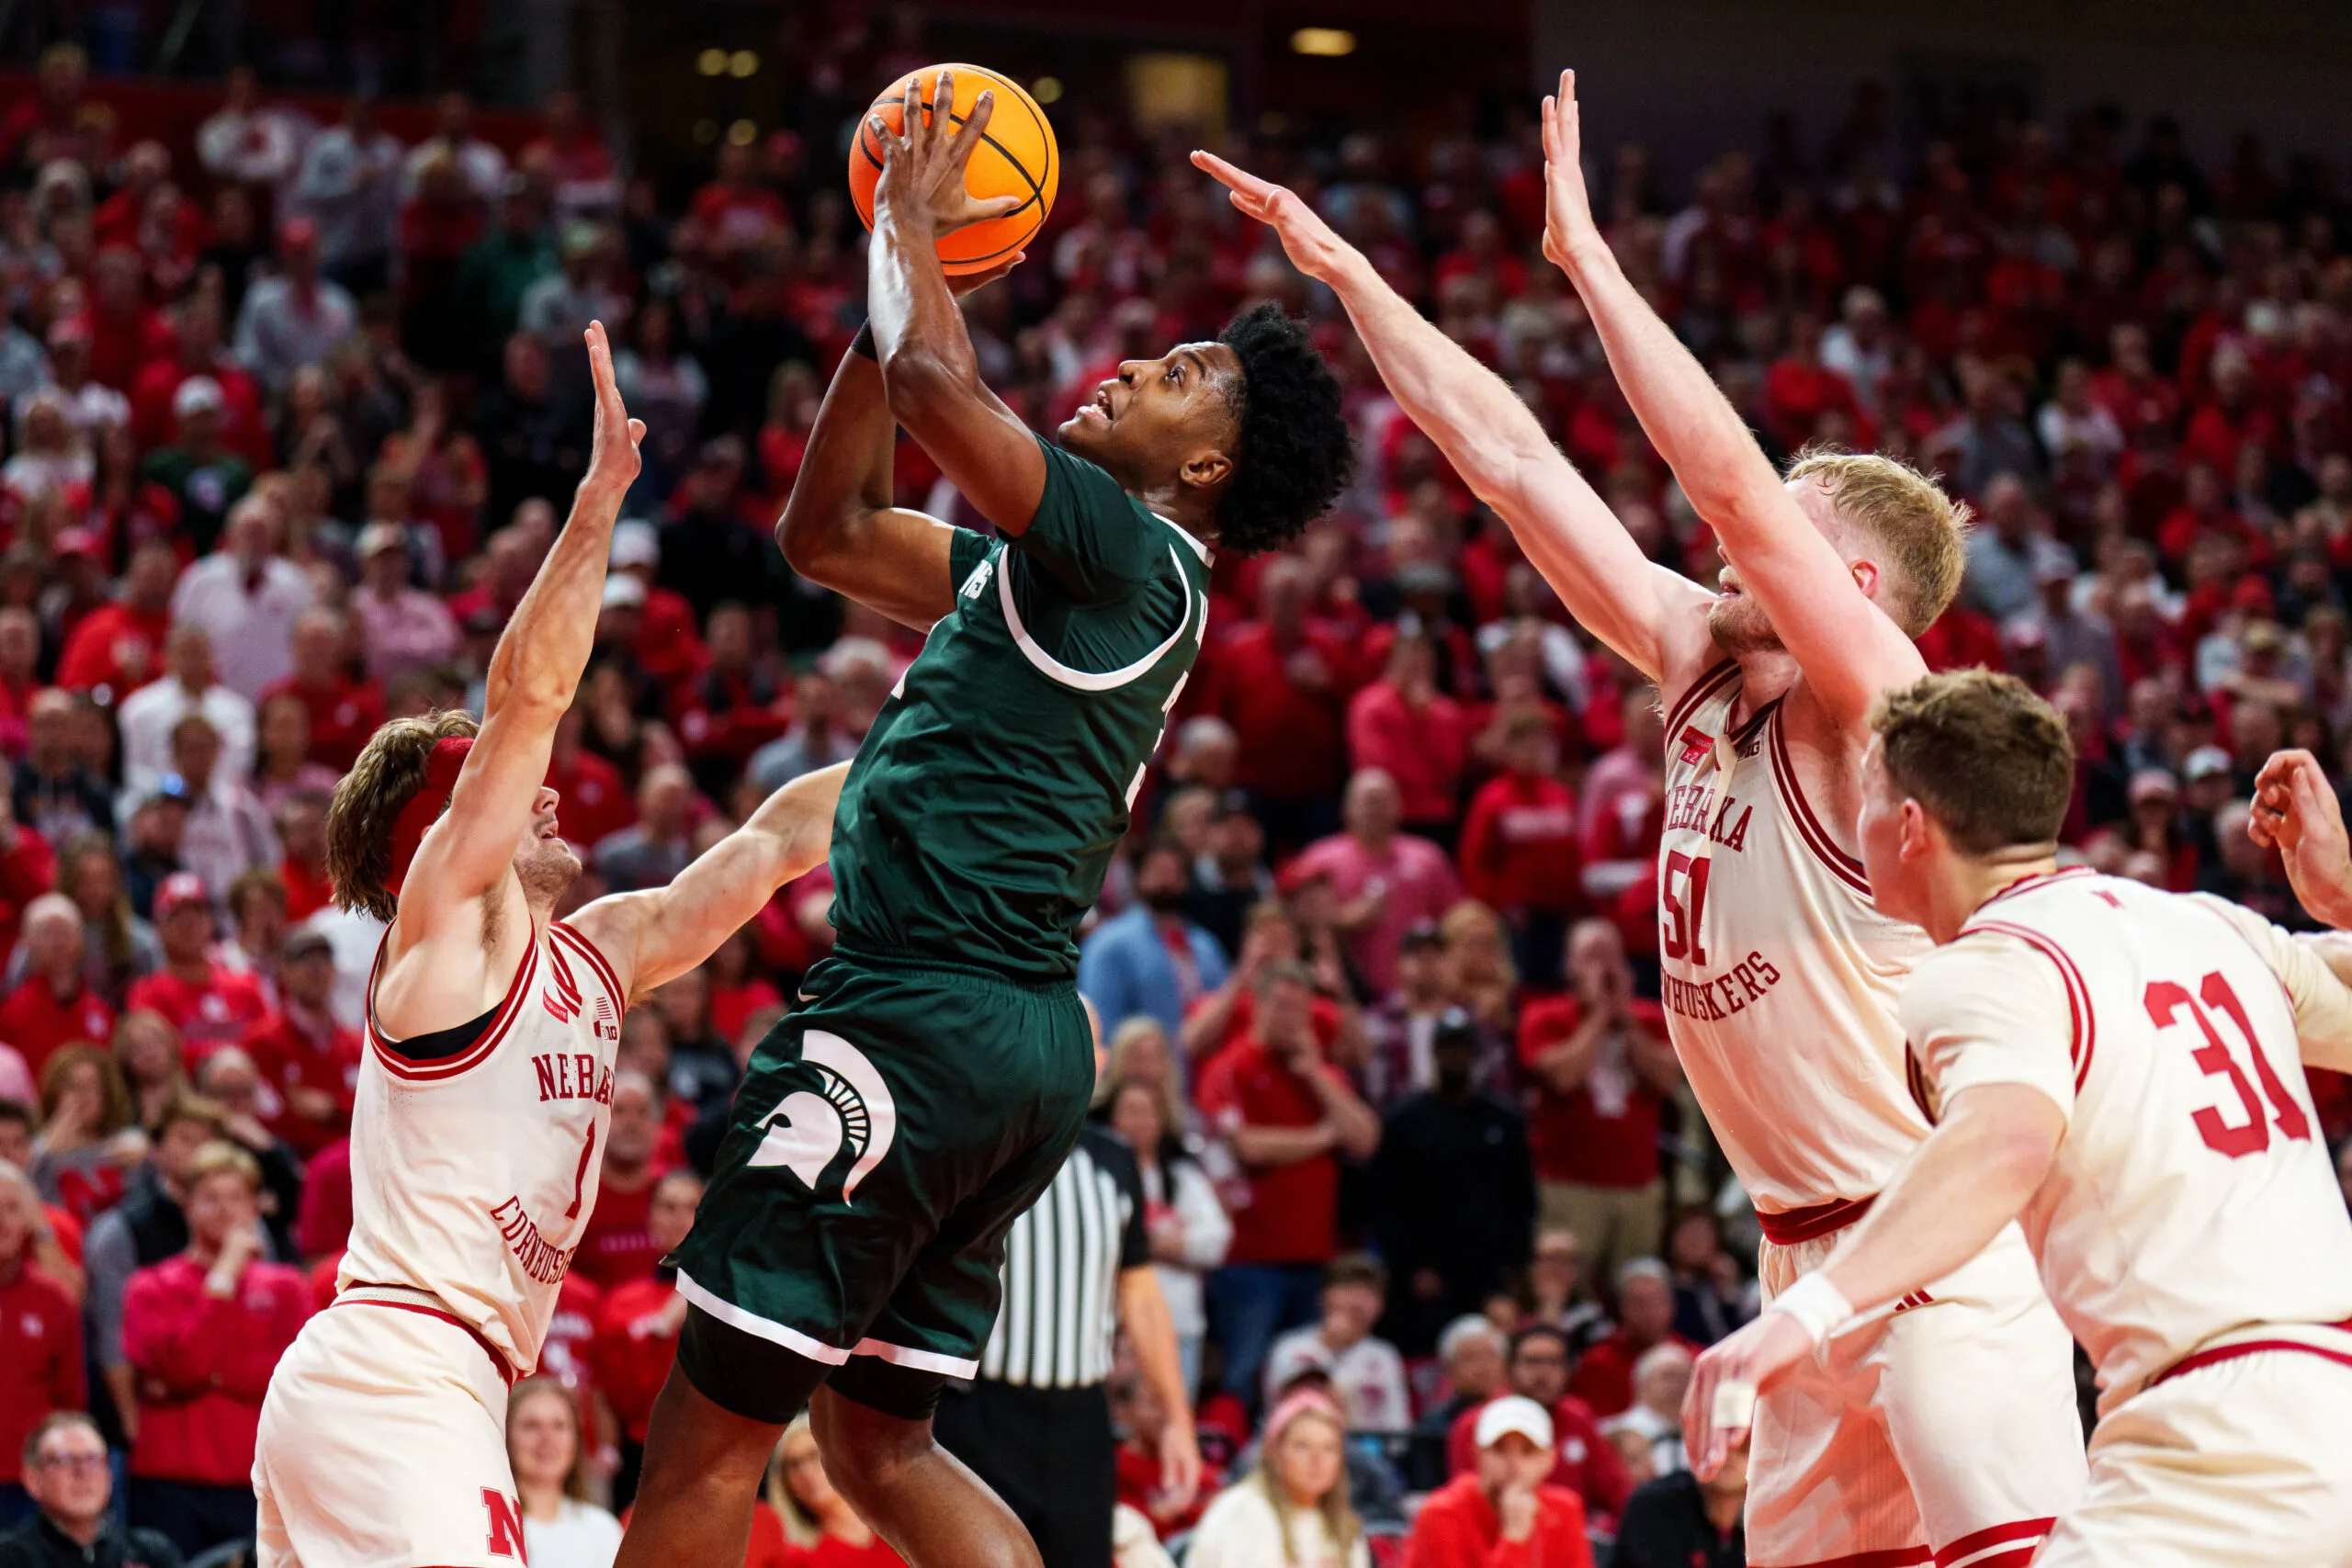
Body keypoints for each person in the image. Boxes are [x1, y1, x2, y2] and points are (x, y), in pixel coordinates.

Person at [1197, 74, 2083, 1568]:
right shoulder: (1697, 654)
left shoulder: (1886, 702)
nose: (1736, 542)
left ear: (1856, 591)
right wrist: (1351, 280)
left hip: (1935, 1261)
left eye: (1794, 529)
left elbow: (1730, 486)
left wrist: (1589, 263)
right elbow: (1515, 464)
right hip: (1796, 1253)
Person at [619, 75, 1351, 1568]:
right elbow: (826, 533)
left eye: (1177, 375)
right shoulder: (1078, 582)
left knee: (708, 1450)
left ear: (1204, 467)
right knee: (881, 1446)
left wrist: (912, 242)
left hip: (915, 1022)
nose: (1133, 366)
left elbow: (947, 395)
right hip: (1011, 1046)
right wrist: (891, 315)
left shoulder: (1122, 550)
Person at [249, 324, 852, 1568]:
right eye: (516, 790)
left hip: (431, 1385)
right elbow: (529, 695)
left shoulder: (599, 949)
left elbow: (770, 842)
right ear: (448, 829)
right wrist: (596, 508)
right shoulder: (443, 944)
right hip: (399, 1377)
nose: (553, 794)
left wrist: (963, 737)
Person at [1690, 673, 2352, 1566]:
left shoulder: (1981, 968)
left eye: (1868, 797)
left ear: (1912, 827)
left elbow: (2002, 1140)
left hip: (2213, 1445)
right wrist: (2345, 901)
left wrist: (1803, 1312)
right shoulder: (2207, 925)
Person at [933, 1117, 1201, 1568]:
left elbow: (1140, 1292)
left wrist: (1177, 1419)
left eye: (1090, 1043)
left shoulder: (1113, 1159)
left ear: (1100, 1061)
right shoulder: (973, 1139)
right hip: (981, 1407)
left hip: (1080, 1424)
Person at [1197, 962, 1382, 1405]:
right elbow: (1248, 1147)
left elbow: (1365, 1138)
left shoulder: (1317, 1071)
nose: (1292, 1019)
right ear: (1257, 1006)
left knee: (1308, 1378)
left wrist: (1316, 1074)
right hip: (1249, 1258)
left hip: (1315, 1257)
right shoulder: (1230, 1067)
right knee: (1246, 1373)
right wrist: (1321, 1136)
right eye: (1281, 1007)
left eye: (1300, 1010)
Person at [119, 1139, 310, 1552]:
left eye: (236, 1197)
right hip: (170, 1484)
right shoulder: (149, 1287)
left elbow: (292, 1381)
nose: (224, 1209)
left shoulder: (288, 1287)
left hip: (259, 1482)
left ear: (254, 1206)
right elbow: (183, 1367)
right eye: (210, 1198)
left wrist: (213, 1375)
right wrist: (223, 1275)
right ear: (186, 1206)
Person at [1515, 920, 1679, 1289]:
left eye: (1611, 956)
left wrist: (1625, 1020)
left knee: (1635, 1287)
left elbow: (1667, 1081)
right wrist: (1600, 1016)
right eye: (1591, 956)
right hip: (1570, 1185)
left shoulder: (1651, 1018)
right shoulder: (1544, 1016)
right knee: (1572, 1290)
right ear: (1569, 965)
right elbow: (1563, 1077)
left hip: (1638, 1183)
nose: (1603, 966)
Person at [1368, 1013, 1535, 1353]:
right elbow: (1385, 1202)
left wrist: (1515, 1267)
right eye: (1448, 1048)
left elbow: (1522, 1199)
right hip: (1425, 1284)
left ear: (1476, 1054)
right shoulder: (1404, 1121)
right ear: (1434, 1052)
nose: (1456, 1056)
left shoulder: (1503, 1121)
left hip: (1487, 1277)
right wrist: (1411, 1267)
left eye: (1463, 1048)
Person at [1102, 1075, 1228, 1398]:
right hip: (1113, 1327)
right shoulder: (1098, 1176)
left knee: (1177, 1416)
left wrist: (1142, 1243)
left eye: (1149, 1111)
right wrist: (1169, 1241)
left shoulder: (1183, 1177)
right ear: (1113, 1117)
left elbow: (1217, 1241)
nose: (1141, 1120)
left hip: (1179, 1324)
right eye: (1131, 1110)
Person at [588, 1169, 703, 1510]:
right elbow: (606, 1393)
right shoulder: (621, 1304)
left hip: (717, 1448)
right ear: (651, 1218)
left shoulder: (733, 1293)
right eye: (668, 1207)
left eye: (692, 1207)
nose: (681, 1218)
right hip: (642, 1454)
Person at [1445, 1325, 1631, 1531]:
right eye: (1532, 1362)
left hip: (1568, 1532)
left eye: (1554, 1362)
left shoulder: (1579, 1417)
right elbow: (1465, 1502)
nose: (1543, 1373)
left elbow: (1617, 1492)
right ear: (1509, 1368)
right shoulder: (1474, 1425)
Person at [1402, 1396, 1593, 1568]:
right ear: (1477, 1454)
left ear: (1550, 1459)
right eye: (1499, 1450)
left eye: (1527, 1452)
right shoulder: (1441, 1513)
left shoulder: (1566, 1509)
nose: (1514, 1463)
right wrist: (1515, 1537)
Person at [1184, 1392, 1370, 1568]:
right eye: (1302, 1446)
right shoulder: (1242, 1511)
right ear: (1275, 1454)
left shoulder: (1345, 1526)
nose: (1317, 1459)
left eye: (1329, 1448)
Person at [1079, 840, 1230, 1053]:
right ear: (1139, 876)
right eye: (1158, 870)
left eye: (1174, 872)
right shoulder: (1108, 944)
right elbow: (1100, 1026)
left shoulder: (1206, 946)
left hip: (1200, 1075)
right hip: (1134, 1073)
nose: (1166, 880)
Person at [0, 1162, 83, 1529]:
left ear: (32, 1218)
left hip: (31, 1483)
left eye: (13, 1208)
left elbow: (70, 1400)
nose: (1, 1220)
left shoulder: (54, 1300)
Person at [0, 1412, 186, 1568]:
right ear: (33, 1480)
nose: (83, 1472)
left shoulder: (150, 1553)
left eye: (93, 1460)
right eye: (65, 1460)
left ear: (109, 1474)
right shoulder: (11, 1558)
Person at [1262, 1254, 1411, 1433]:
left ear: (1381, 1305)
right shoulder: (1291, 1348)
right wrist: (1332, 1346)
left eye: (1368, 1293)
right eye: (1348, 1289)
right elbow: (1284, 1413)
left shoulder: (1385, 1355)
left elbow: (1399, 1428)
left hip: (1372, 1454)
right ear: (1323, 1295)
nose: (1357, 1302)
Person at [509, 1378, 623, 1568]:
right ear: (506, 1435)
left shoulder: (603, 1529)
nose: (547, 1439)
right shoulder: (488, 1527)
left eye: (559, 1425)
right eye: (531, 1425)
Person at [1566, 1259, 1695, 1419]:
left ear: (1672, 1304)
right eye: (1639, 1303)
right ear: (1621, 1308)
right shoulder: (1597, 1363)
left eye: (1656, 1300)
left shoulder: (1696, 1359)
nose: (1650, 1311)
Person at [771, 1416, 903, 1567]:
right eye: (794, 1464)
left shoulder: (900, 1526)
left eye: (813, 1455)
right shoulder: (796, 1559)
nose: (806, 1472)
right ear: (786, 1485)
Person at [1611, 1444, 1747, 1568]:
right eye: (1720, 1440)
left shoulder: (1756, 1522)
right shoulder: (1654, 1505)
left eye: (1745, 1442)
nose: (1731, 1451)